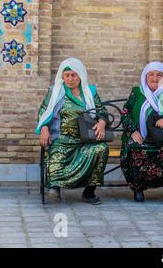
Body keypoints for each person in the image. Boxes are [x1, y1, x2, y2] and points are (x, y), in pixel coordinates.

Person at [36, 58, 109, 205]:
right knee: (57, 153)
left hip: (85, 139)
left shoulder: (90, 92)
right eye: (67, 75)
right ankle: (55, 188)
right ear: (62, 76)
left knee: (101, 149)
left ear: (80, 75)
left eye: (73, 75)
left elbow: (102, 111)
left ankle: (89, 193)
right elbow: (44, 112)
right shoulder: (55, 92)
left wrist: (101, 123)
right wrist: (44, 128)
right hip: (62, 138)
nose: (70, 79)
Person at [120, 61, 163, 203]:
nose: (155, 78)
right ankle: (138, 189)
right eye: (151, 74)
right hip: (140, 135)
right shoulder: (137, 92)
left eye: (159, 75)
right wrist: (132, 131)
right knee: (134, 148)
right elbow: (125, 113)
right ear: (145, 76)